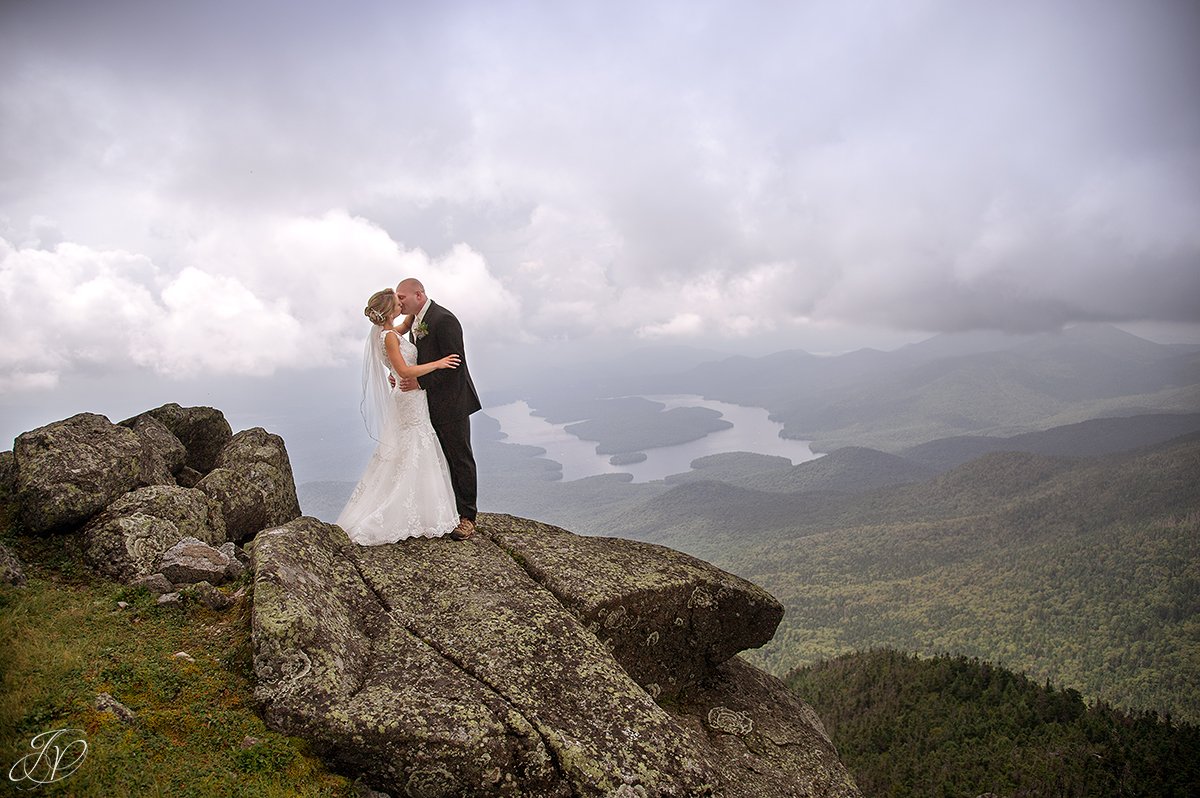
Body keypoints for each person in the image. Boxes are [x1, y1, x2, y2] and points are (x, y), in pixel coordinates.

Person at [336, 288, 463, 545]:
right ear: (388, 311)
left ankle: (420, 508)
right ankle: (407, 511)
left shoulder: (392, 332)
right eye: (397, 303)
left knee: (412, 448)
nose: (400, 306)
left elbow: (409, 321)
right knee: (415, 446)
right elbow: (404, 371)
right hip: (408, 397)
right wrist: (437, 364)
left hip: (410, 397)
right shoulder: (389, 338)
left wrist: (419, 304)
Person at [394, 277, 482, 540]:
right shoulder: (415, 323)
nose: (399, 302)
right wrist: (401, 376)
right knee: (438, 459)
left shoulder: (444, 320)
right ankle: (448, 512)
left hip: (452, 403)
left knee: (459, 458)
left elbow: (455, 365)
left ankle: (468, 517)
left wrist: (419, 381)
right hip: (426, 404)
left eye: (402, 297)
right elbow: (419, 360)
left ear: (418, 295)